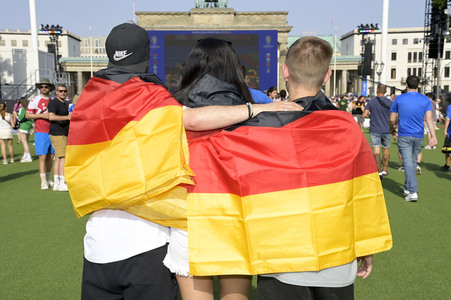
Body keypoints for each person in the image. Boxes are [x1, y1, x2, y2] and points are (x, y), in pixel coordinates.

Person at [65, 23, 300, 300]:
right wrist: (257, 108)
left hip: (105, 240)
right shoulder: (148, 96)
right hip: (163, 235)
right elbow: (193, 119)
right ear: (146, 57)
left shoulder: (89, 97)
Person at [179, 36, 391, 300]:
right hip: (338, 259)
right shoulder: (348, 126)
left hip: (279, 261)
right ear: (327, 76)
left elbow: (204, 153)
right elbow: (362, 192)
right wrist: (365, 245)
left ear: (285, 70)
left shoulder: (254, 130)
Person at [389, 75, 437, 202]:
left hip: (404, 135)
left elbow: (392, 119)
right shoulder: (425, 100)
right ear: (419, 85)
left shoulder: (399, 98)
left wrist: (391, 129)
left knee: (408, 164)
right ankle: (407, 187)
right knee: (411, 163)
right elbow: (429, 119)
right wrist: (433, 137)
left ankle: (413, 191)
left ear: (406, 84)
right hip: (418, 136)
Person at [26, 78, 55, 189]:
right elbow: (28, 115)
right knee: (42, 156)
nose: (43, 88)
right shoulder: (35, 100)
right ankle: (43, 180)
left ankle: (48, 178)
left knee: (51, 156)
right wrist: (42, 115)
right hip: (41, 131)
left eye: (46, 87)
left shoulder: (53, 100)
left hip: (52, 131)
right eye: (42, 87)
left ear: (49, 88)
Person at [362, 84, 392, 177]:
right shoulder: (390, 102)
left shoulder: (372, 102)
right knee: (386, 150)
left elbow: (364, 115)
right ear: (386, 91)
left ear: (376, 90)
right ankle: (384, 170)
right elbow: (394, 116)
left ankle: (378, 171)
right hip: (387, 129)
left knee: (376, 151)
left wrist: (370, 115)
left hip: (375, 129)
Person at [48, 84, 71, 191]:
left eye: (65, 91)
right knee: (62, 157)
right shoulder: (54, 102)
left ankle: (57, 182)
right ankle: (62, 182)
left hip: (61, 132)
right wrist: (67, 117)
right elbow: (51, 117)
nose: (63, 93)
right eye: (61, 91)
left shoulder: (63, 103)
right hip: (58, 133)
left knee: (58, 157)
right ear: (56, 92)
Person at [15, 97, 34, 162]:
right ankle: (25, 155)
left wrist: (15, 115)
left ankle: (28, 157)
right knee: (26, 141)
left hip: (24, 127)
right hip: (29, 126)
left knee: (24, 142)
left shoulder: (22, 109)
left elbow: (19, 119)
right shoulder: (29, 109)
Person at [440, 98, 451, 172]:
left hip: (450, 132)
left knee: (448, 148)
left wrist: (445, 130)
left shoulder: (450, 107)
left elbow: (448, 118)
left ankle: (447, 166)